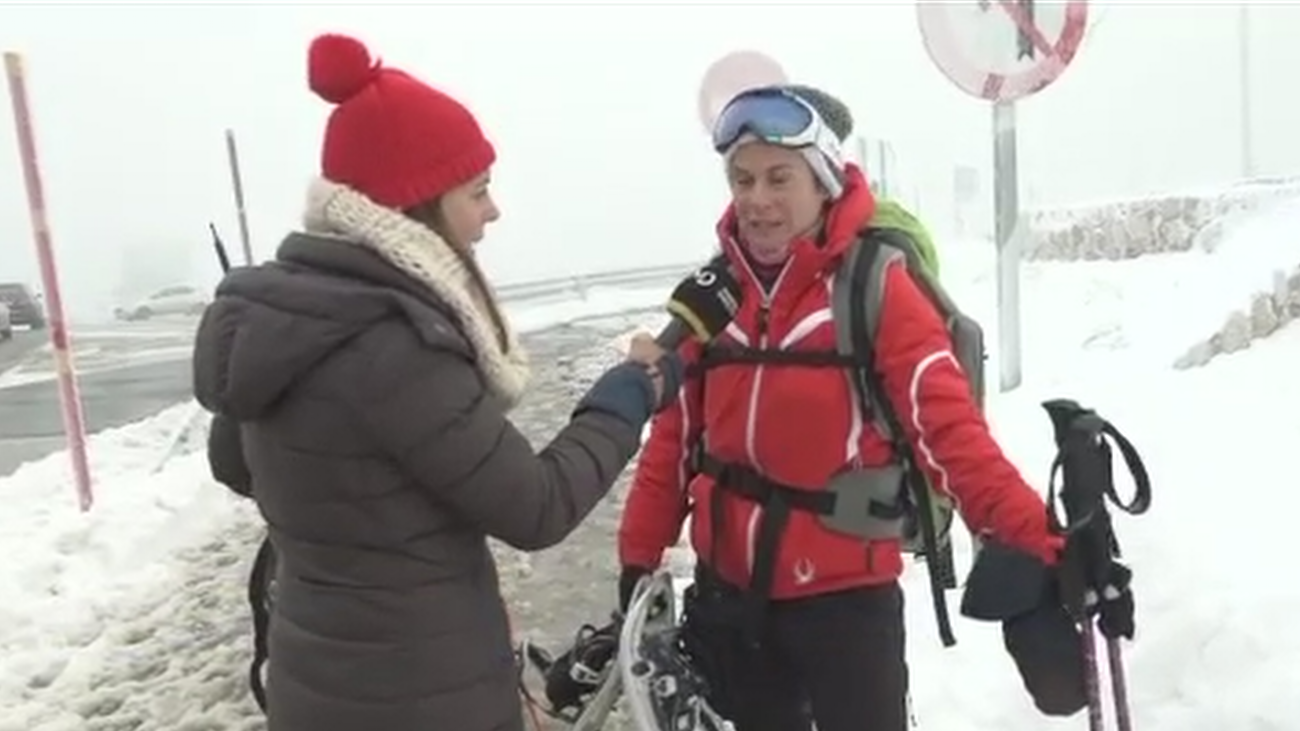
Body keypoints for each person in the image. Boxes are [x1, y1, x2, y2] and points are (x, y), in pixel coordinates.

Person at [191, 33, 682, 731]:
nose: (494, 210)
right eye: (478, 191)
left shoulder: (295, 316)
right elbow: (537, 507)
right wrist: (627, 394)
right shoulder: (392, 346)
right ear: (416, 203)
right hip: (419, 695)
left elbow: (233, 462)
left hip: (312, 684)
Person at [616, 84, 1064, 731]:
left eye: (779, 177)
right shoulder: (712, 297)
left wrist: (1039, 537)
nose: (757, 200)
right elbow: (671, 445)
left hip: (845, 612)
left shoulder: (876, 288)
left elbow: (951, 434)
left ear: (823, 178)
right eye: (742, 179)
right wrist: (636, 562)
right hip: (729, 603)